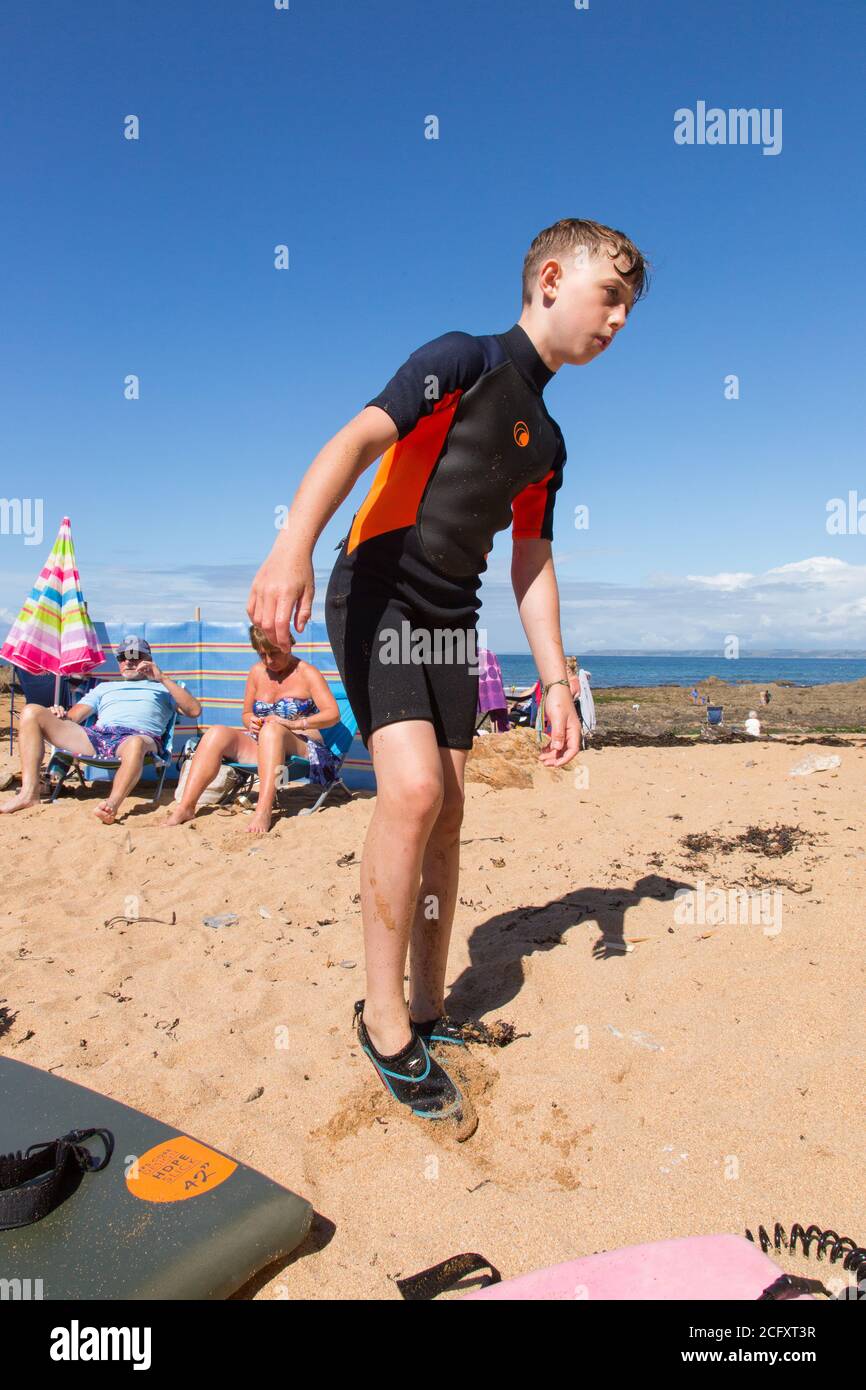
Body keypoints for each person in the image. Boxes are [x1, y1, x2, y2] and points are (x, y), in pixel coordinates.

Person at [247, 217, 649, 1129]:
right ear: (551, 279)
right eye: (612, 296)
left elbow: (532, 562)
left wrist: (553, 680)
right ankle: (383, 1023)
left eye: (631, 307)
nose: (621, 320)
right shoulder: (462, 360)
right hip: (380, 589)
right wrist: (291, 547)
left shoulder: (547, 441)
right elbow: (353, 441)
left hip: (451, 619)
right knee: (416, 791)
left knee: (451, 807)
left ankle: (430, 1007)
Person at [1, 636, 201, 824]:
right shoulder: (104, 688)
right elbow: (73, 717)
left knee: (136, 743)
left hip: (136, 738)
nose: (129, 661)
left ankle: (111, 804)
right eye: (123, 657)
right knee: (31, 712)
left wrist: (162, 678)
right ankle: (28, 794)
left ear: (148, 660)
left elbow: (194, 710)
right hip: (97, 736)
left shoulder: (165, 688)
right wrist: (59, 712)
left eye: (136, 656)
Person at [166, 624, 339, 834]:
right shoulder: (257, 672)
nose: (268, 661)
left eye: (274, 653)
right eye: (262, 654)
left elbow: (332, 714)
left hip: (302, 746)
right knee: (215, 733)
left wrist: (294, 724)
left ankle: (263, 810)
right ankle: (186, 807)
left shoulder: (307, 673)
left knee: (273, 729)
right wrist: (252, 722)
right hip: (264, 743)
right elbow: (246, 714)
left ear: (288, 645)